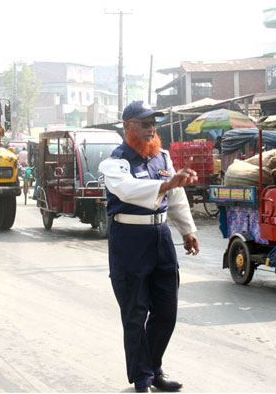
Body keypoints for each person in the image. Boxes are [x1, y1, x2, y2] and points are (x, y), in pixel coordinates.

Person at [98, 100, 200, 393]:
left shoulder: (162, 158)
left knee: (167, 310)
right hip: (129, 240)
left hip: (161, 237)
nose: (151, 129)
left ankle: (154, 368)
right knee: (135, 313)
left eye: (154, 123)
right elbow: (128, 190)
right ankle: (143, 377)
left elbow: (177, 196)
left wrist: (188, 230)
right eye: (145, 124)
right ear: (128, 126)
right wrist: (166, 186)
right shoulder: (116, 162)